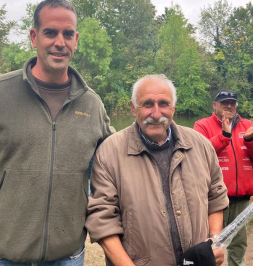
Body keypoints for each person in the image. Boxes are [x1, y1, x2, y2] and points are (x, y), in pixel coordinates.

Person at [0, 0, 114, 266]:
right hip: (0, 256)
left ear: (76, 40)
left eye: (68, 34)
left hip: (68, 256)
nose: (59, 42)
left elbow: (114, 165)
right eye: (50, 32)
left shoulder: (92, 104)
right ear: (34, 37)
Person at [85, 75, 229, 266]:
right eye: (147, 104)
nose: (155, 113)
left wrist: (214, 240)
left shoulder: (200, 145)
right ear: (133, 108)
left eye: (163, 103)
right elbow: (102, 219)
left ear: (173, 107)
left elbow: (216, 199)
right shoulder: (110, 152)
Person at [193, 90, 253, 266]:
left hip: (241, 199)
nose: (229, 106)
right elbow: (198, 153)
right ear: (214, 105)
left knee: (238, 245)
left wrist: (251, 140)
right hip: (213, 199)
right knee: (210, 245)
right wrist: (224, 136)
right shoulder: (202, 125)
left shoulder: (247, 125)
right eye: (224, 103)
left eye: (232, 103)